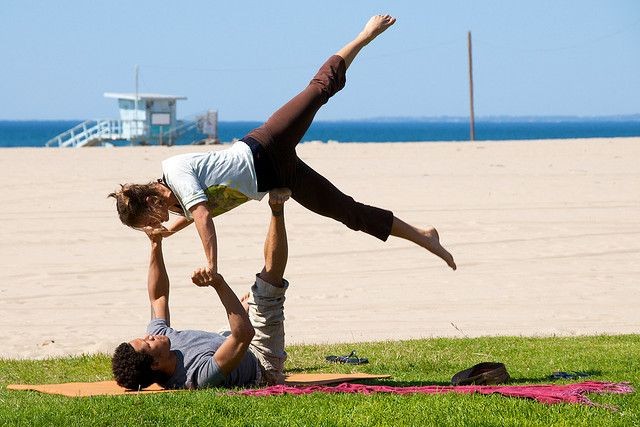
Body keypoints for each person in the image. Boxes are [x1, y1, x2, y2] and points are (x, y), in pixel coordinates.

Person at [109, 15, 457, 280]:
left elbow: (200, 215)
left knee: (320, 89)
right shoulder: (176, 202)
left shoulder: (177, 173)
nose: (159, 219)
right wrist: (164, 232)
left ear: (152, 197)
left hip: (267, 143)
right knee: (348, 213)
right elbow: (189, 214)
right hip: (277, 177)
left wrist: (211, 264)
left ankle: (365, 35)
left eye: (151, 216)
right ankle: (424, 236)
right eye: (151, 222)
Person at [112, 189, 292, 390]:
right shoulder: (198, 375)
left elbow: (158, 297)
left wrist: (156, 244)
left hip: (223, 340)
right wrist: (218, 284)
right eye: (147, 342)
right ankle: (277, 207)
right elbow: (244, 336)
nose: (149, 336)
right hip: (261, 359)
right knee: (269, 285)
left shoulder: (161, 339)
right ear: (155, 364)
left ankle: (245, 309)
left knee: (245, 309)